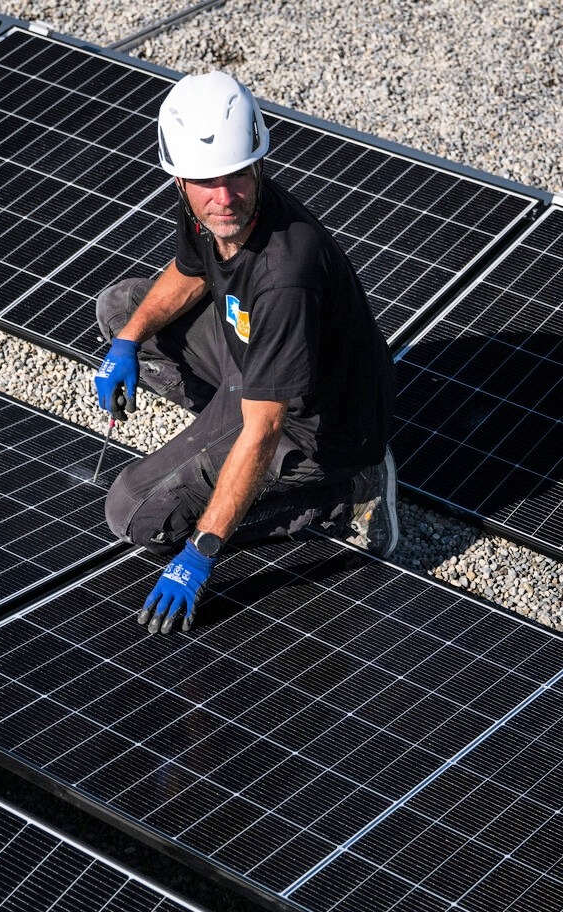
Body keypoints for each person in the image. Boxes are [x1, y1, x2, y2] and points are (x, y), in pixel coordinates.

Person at [94, 70, 397, 635]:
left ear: (258, 163)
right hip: (254, 360)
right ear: (180, 179)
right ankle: (221, 435)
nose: (224, 197)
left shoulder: (286, 274)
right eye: (207, 181)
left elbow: (264, 429)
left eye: (237, 176)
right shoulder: (206, 207)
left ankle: (342, 494)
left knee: (134, 513)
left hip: (319, 429)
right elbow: (189, 275)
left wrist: (201, 554)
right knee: (119, 310)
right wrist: (128, 344)